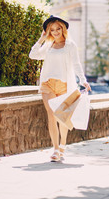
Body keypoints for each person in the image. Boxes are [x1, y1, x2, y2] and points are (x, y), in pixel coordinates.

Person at [29, 15, 91, 162]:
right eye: (52, 29)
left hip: (64, 84)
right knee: (51, 114)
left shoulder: (70, 45)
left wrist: (83, 81)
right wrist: (41, 39)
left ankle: (63, 145)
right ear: (48, 31)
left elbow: (76, 64)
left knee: (61, 116)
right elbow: (33, 55)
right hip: (47, 84)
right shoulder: (48, 46)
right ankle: (56, 149)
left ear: (63, 29)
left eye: (58, 29)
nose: (56, 32)